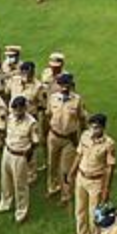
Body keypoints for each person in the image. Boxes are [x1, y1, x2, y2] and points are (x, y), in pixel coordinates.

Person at [67, 113, 116, 234]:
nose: (94, 130)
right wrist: (71, 172)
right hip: (81, 177)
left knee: (94, 213)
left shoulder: (109, 144)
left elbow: (110, 168)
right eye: (92, 127)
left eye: (97, 127)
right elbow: (79, 155)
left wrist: (106, 190)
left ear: (103, 128)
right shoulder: (85, 136)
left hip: (96, 181)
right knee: (80, 209)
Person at [46, 73, 86, 203]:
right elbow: (48, 114)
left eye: (66, 84)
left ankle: (66, 195)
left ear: (71, 85)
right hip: (54, 136)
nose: (64, 87)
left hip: (69, 139)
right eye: (61, 84)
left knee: (65, 168)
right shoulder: (53, 98)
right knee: (52, 164)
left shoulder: (77, 100)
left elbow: (82, 118)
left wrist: (83, 136)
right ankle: (52, 187)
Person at [0, 96, 38, 223]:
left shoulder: (31, 122)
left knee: (20, 184)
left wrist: (28, 156)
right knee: (5, 180)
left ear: (24, 108)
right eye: (14, 109)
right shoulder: (10, 118)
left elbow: (35, 142)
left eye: (19, 110)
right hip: (8, 151)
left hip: (20, 155)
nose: (17, 112)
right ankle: (6, 202)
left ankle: (21, 211)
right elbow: (5, 132)